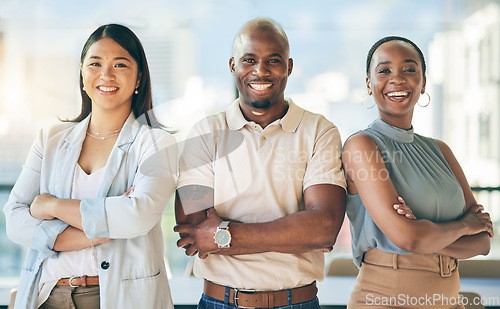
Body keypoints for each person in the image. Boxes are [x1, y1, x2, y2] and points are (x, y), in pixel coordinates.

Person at [174, 18, 346, 309]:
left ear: (289, 67)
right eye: (249, 60)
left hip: (298, 302)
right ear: (233, 66)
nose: (261, 71)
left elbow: (324, 228)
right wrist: (294, 232)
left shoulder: (319, 131)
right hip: (220, 302)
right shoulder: (206, 134)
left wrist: (225, 235)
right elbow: (193, 230)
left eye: (273, 61)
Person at [3, 24, 177, 309]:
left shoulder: (157, 143)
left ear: (138, 79)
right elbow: (15, 220)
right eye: (95, 63)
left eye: (120, 64)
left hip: (118, 298)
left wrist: (53, 206)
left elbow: (137, 217)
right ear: (82, 73)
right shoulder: (50, 139)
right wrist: (98, 232)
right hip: (48, 297)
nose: (106, 74)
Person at [342, 36, 494, 308]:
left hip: (449, 299)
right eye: (384, 70)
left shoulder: (440, 150)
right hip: (386, 298)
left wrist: (425, 235)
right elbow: (409, 238)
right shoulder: (361, 146)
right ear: (369, 84)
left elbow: (483, 242)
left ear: (423, 83)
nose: (397, 79)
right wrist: (464, 226)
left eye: (409, 69)